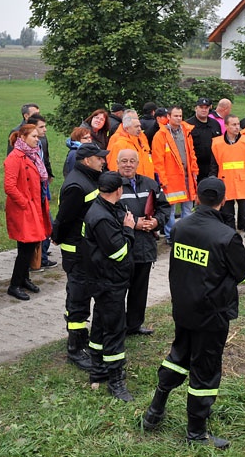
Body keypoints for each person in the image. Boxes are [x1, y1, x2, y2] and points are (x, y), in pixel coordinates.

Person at [141, 177, 245, 448]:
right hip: (211, 314)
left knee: (177, 355)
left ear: (198, 197)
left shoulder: (180, 227)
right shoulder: (226, 236)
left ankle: (155, 410)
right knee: (205, 370)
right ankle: (196, 433)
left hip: (183, 308)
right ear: (223, 201)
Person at [53, 142, 107, 370]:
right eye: (99, 158)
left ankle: (80, 337)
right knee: (78, 295)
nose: (103, 161)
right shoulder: (77, 185)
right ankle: (75, 348)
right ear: (87, 160)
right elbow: (64, 218)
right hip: (76, 250)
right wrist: (56, 236)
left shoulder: (89, 178)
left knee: (82, 292)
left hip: (85, 248)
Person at [83, 170, 136, 401]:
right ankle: (116, 381)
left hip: (103, 278)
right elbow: (119, 252)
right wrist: (129, 230)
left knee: (100, 324)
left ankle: (98, 371)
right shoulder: (102, 217)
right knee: (114, 329)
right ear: (118, 190)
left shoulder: (102, 208)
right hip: (109, 280)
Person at [116, 148, 170, 336]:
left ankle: (134, 325)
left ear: (138, 164)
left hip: (145, 247)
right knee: (118, 291)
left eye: (132, 161)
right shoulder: (112, 185)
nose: (128, 164)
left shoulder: (150, 184)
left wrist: (156, 222)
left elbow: (164, 207)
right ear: (117, 163)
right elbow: (107, 209)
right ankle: (117, 326)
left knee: (140, 290)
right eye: (124, 161)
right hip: (122, 247)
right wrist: (133, 224)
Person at [4, 125, 52, 301]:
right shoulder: (15, 158)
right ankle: (14, 285)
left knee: (30, 245)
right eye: (33, 136)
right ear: (22, 137)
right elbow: (9, 186)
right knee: (26, 248)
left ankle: (24, 279)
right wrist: (25, 203)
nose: (37, 139)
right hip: (23, 209)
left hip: (34, 206)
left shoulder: (31, 155)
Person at [210, 115, 245, 260]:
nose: (237, 127)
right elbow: (214, 167)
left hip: (244, 185)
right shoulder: (217, 143)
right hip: (225, 186)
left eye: (238, 124)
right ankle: (234, 247)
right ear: (226, 126)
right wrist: (214, 185)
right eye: (233, 125)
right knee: (227, 218)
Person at [152, 105, 198, 245]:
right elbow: (158, 161)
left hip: (187, 176)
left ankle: (185, 235)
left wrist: (194, 171)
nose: (179, 118)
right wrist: (163, 180)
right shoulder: (161, 135)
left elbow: (191, 154)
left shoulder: (186, 132)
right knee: (170, 210)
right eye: (176, 116)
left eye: (180, 116)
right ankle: (171, 236)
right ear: (169, 117)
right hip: (170, 179)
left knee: (188, 209)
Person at [26, 113, 57, 271]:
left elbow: (45, 161)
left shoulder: (41, 142)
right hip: (35, 193)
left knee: (47, 224)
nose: (45, 130)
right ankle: (37, 259)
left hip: (44, 187)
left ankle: (41, 257)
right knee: (44, 224)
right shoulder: (26, 150)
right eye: (41, 127)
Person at [106, 110, 154, 177]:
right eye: (132, 119)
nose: (139, 128)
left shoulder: (142, 137)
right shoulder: (117, 140)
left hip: (146, 180)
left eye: (136, 119)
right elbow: (113, 165)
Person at [185, 97, 222, 182]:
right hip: (195, 167)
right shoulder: (187, 125)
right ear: (196, 108)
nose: (204, 110)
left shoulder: (215, 124)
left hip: (212, 167)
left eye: (206, 108)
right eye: (201, 107)